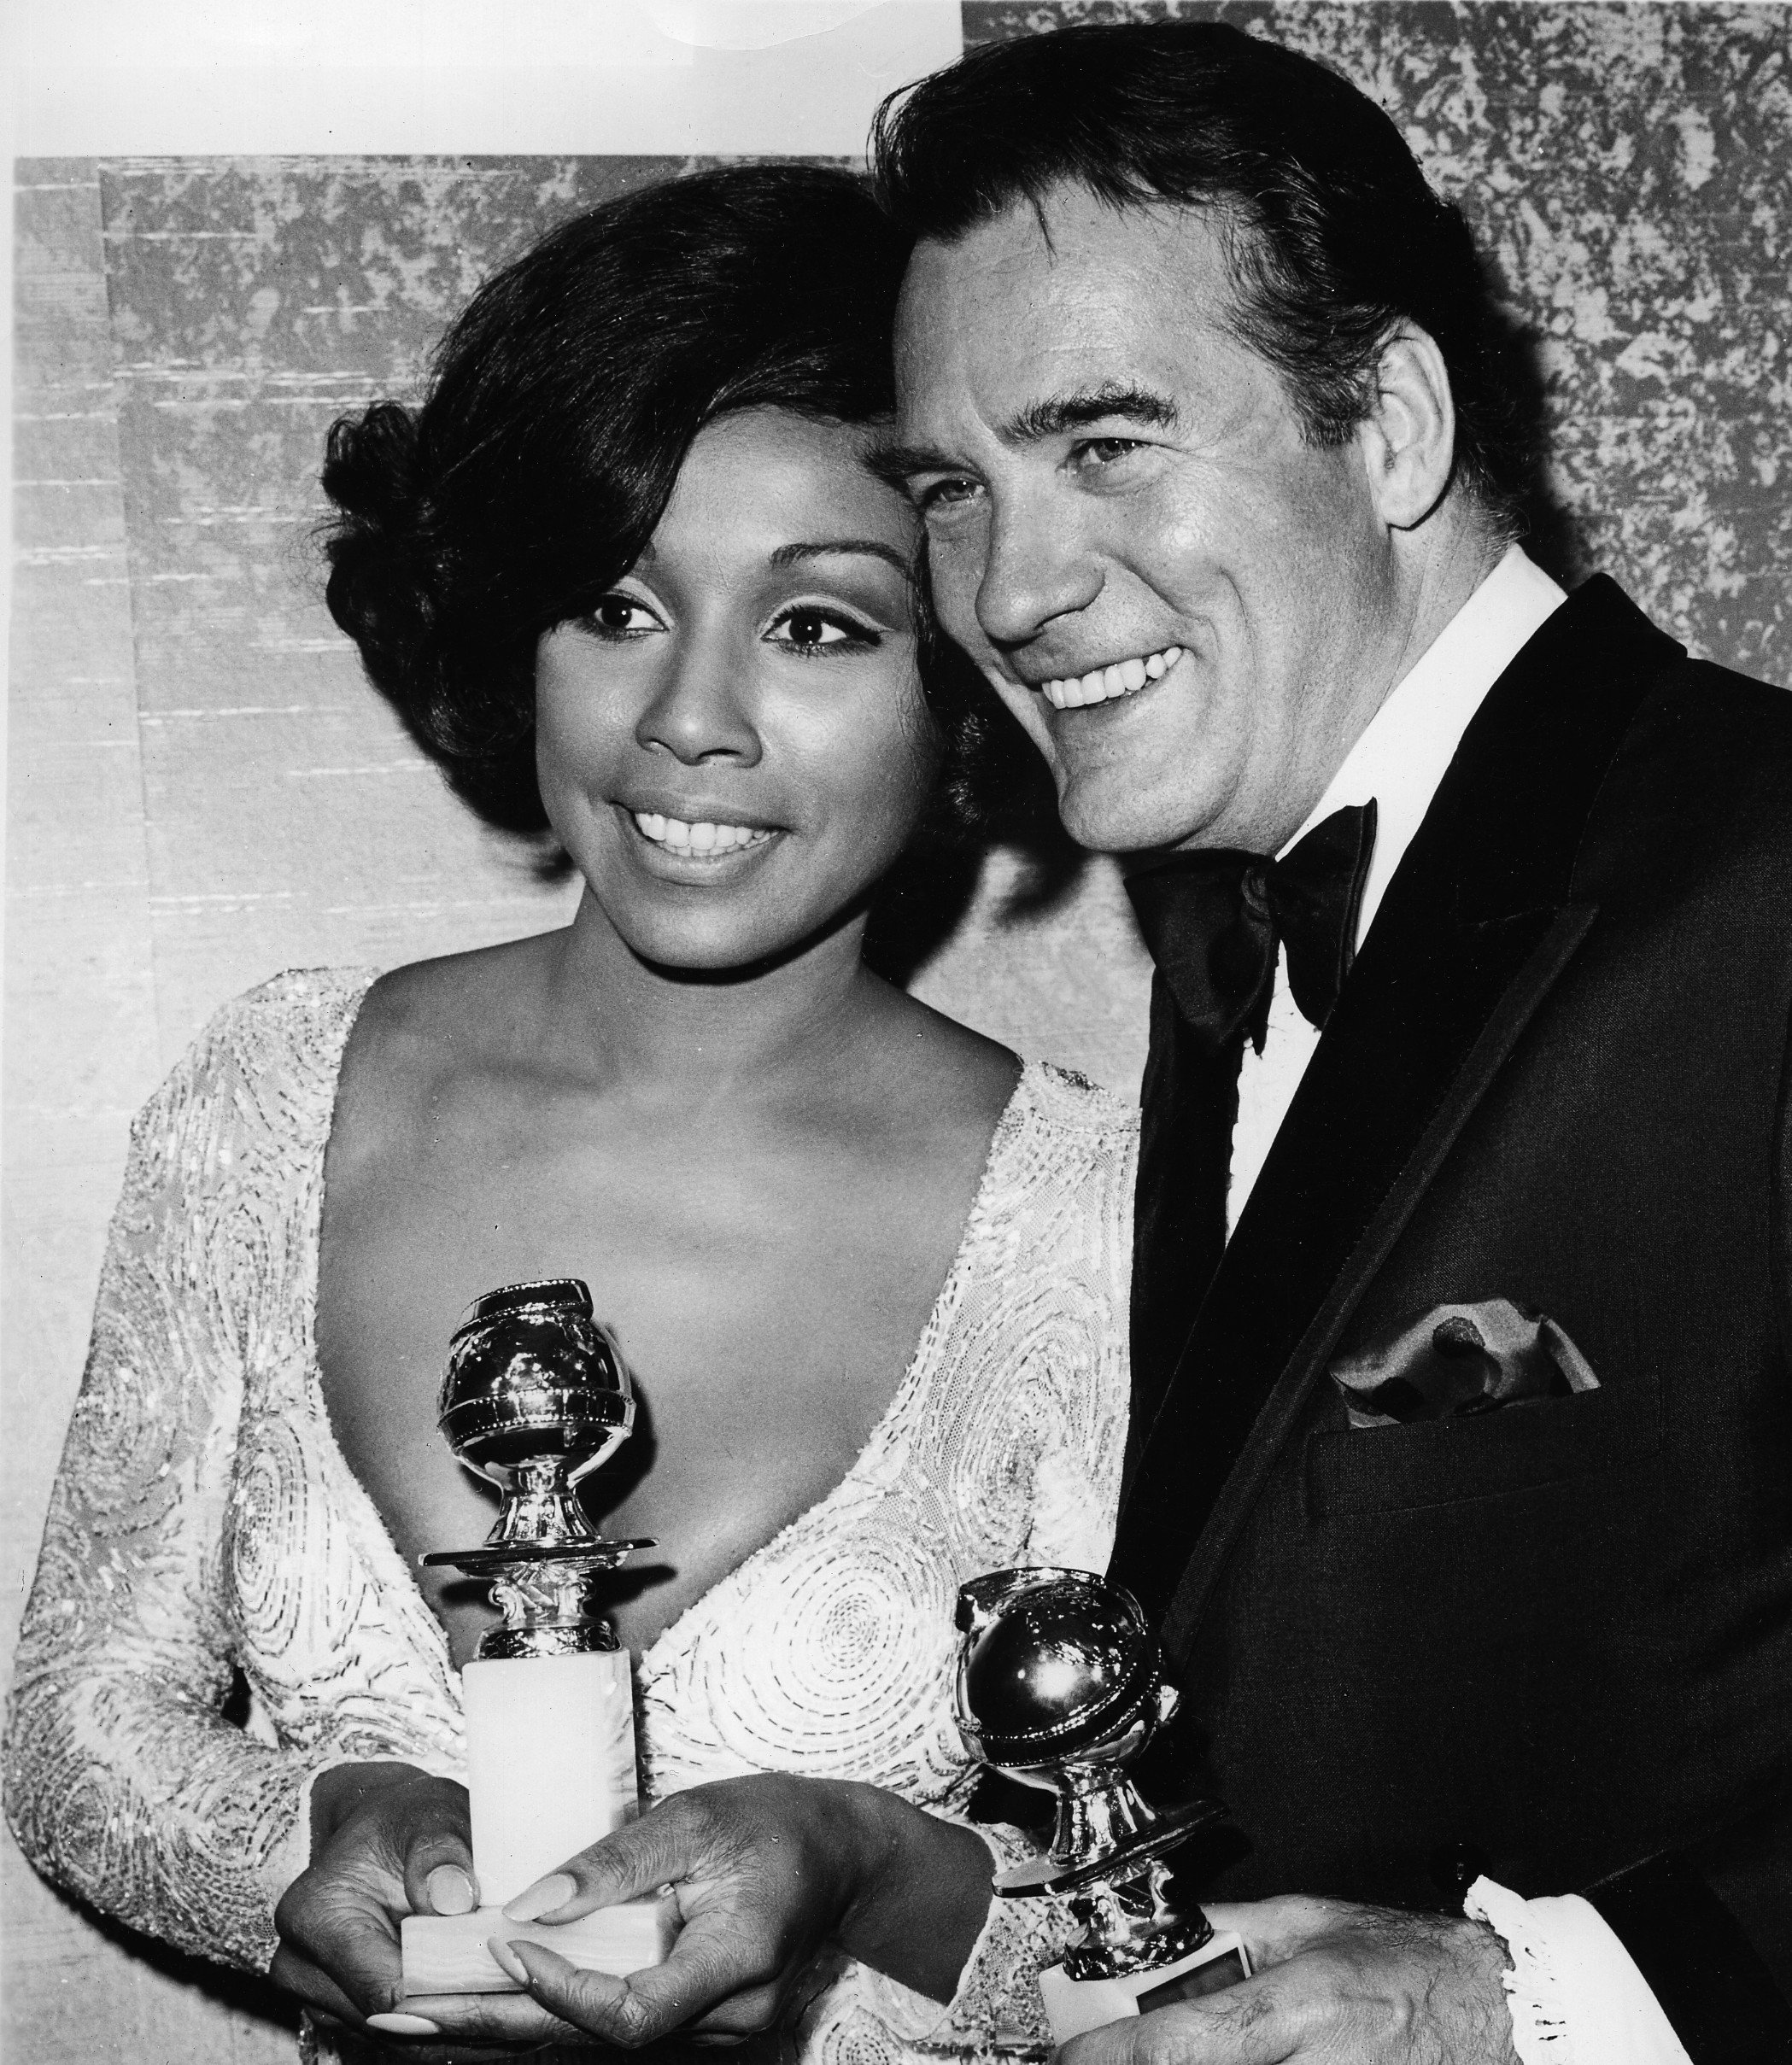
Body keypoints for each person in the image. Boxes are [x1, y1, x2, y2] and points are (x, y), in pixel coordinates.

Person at [466, 24, 1792, 2065]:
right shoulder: (1231, 944)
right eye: (952, 489)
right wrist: (836, 1857)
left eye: (1103, 443)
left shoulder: (1759, 876)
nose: (1011, 585)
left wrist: (1541, 2009)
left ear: (1393, 421)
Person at [2, 162, 1140, 2063]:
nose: (690, 717)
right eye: (616, 602)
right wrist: (321, 1824)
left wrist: (855, 1874)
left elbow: (1165, 1938)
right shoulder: (272, 1095)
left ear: (958, 680)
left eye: (820, 627)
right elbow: (78, 1731)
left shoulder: (1101, 1216)